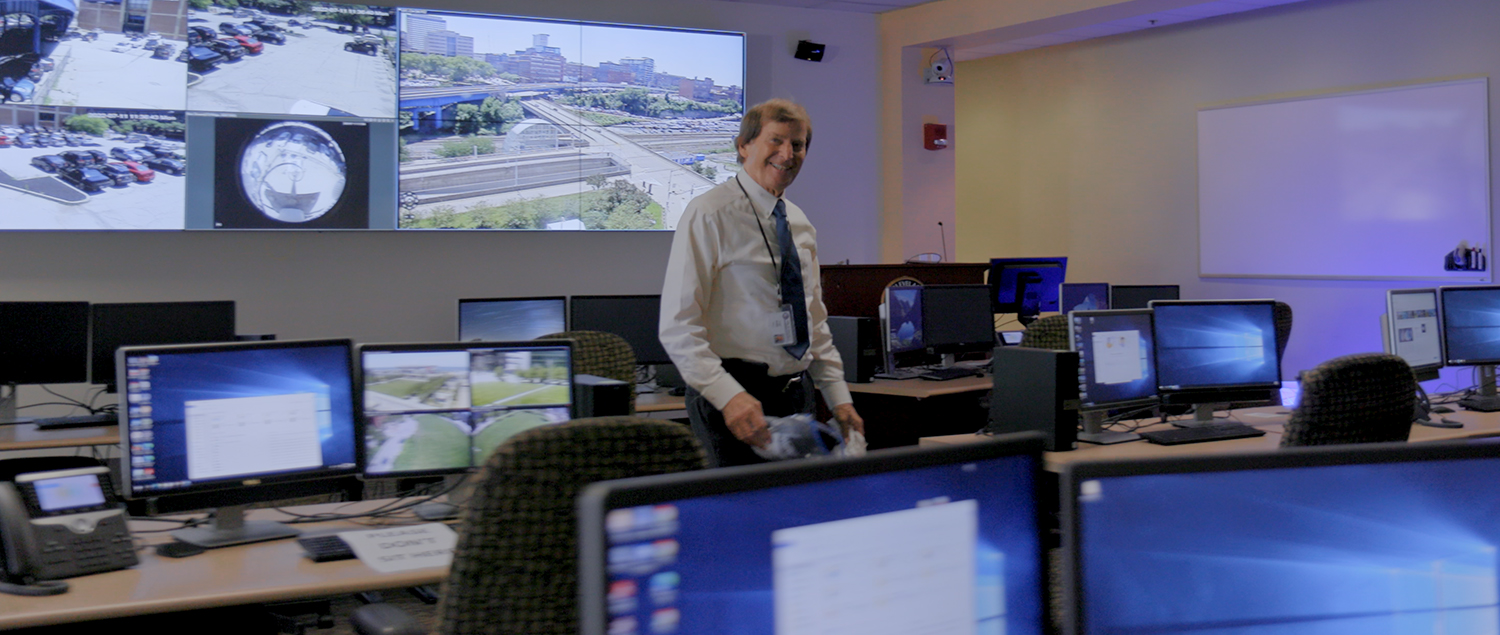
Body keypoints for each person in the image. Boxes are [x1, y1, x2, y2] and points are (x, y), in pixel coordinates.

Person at [659, 98, 864, 467]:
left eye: (798, 145)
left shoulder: (799, 223)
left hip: (795, 395)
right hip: (732, 396)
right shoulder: (709, 213)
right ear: (744, 146)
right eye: (776, 140)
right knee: (741, 517)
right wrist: (728, 396)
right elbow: (677, 327)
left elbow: (813, 320)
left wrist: (839, 397)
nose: (788, 154)